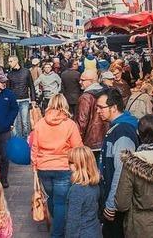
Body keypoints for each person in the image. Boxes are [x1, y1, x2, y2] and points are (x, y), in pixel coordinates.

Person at [31, 94, 83, 238]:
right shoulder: (70, 124)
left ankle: (57, 224)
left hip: (43, 167)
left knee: (52, 198)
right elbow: (77, 147)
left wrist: (35, 166)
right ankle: (57, 233)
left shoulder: (40, 123)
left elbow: (34, 147)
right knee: (61, 202)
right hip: (63, 167)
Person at [96, 88, 138, 238]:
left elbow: (122, 170)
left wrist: (111, 204)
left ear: (113, 107)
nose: (98, 111)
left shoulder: (123, 131)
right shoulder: (117, 127)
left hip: (117, 203)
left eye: (101, 107)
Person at [65, 146, 102, 238]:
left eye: (70, 162)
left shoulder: (77, 190)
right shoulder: (95, 184)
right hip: (95, 230)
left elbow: (73, 221)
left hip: (82, 233)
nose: (68, 165)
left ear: (79, 164)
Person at [75, 71, 108, 160]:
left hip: (91, 141)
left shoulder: (86, 97)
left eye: (82, 80)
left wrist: (76, 141)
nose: (80, 82)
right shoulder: (106, 91)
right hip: (106, 138)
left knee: (91, 171)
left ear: (91, 81)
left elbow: (82, 121)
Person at [6, 56, 36, 139]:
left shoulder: (26, 72)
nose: (9, 63)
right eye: (9, 61)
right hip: (14, 100)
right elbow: (8, 89)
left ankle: (25, 139)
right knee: (15, 123)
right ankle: (17, 141)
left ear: (16, 61)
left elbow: (31, 85)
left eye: (10, 61)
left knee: (25, 122)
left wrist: (33, 99)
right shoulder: (9, 74)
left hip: (24, 99)